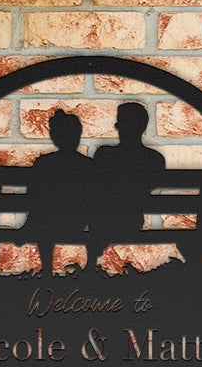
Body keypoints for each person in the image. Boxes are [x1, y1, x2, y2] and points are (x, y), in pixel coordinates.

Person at [91, 102, 167, 267]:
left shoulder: (104, 155)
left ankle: (90, 265)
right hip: (132, 220)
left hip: (103, 219)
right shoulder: (154, 159)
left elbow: (95, 185)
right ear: (143, 127)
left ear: (118, 126)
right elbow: (152, 186)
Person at [26, 109, 93, 276]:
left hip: (46, 224)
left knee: (44, 215)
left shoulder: (44, 163)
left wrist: (27, 226)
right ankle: (90, 267)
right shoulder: (89, 165)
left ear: (54, 136)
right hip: (78, 223)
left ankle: (47, 270)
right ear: (77, 135)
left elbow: (33, 199)